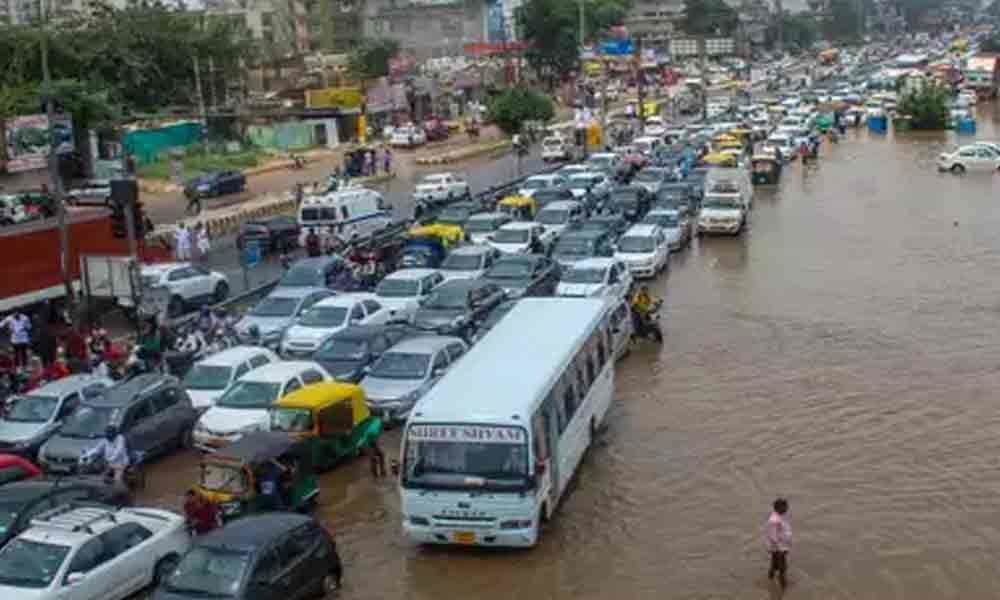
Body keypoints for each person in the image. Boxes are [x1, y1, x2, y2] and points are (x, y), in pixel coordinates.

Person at [766, 497, 792, 588]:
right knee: (782, 568)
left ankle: (770, 579)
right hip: (778, 548)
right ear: (778, 508)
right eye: (785, 507)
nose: (787, 508)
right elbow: (773, 537)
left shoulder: (781, 516)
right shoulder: (774, 520)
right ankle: (783, 587)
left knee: (774, 565)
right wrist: (780, 550)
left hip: (780, 546)